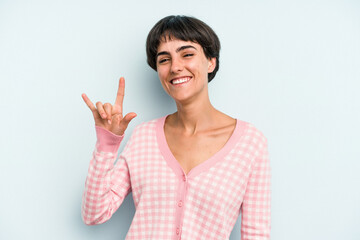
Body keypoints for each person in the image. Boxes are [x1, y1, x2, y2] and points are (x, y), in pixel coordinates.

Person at [81, 15, 271, 239]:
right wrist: (107, 143)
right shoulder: (144, 137)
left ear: (211, 62)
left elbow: (256, 234)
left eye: (187, 54)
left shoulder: (250, 143)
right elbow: (94, 213)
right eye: (164, 60)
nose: (175, 67)